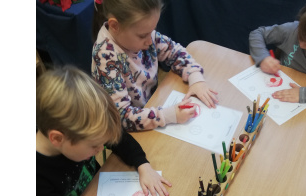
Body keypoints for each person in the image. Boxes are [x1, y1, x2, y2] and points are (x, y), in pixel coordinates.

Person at [36, 66, 172, 196]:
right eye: (94, 146)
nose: (101, 148)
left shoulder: (75, 134)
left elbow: (119, 139)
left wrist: (142, 165)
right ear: (57, 139)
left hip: (97, 193)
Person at [91, 0, 219, 132]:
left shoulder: (143, 33)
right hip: (127, 131)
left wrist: (195, 78)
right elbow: (122, 117)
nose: (149, 40)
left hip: (152, 105)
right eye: (143, 36)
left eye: (152, 30)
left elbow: (174, 51)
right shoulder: (106, 57)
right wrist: (168, 115)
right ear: (115, 26)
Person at [249, 0, 306, 105]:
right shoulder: (292, 29)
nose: (301, 44)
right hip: (278, 86)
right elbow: (257, 34)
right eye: (301, 35)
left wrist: (303, 94)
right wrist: (263, 57)